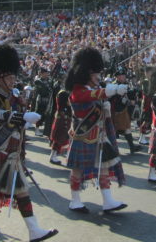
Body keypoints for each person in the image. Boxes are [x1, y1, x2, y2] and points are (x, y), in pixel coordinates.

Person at [0, 44, 57, 242]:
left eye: (13, 77)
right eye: (9, 78)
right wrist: (21, 116)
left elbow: (15, 118)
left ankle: (34, 229)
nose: (12, 80)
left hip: (12, 147)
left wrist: (24, 120)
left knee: (20, 188)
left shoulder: (13, 96)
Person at [65, 47, 127, 214]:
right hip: (83, 134)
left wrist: (107, 104)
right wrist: (111, 91)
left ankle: (108, 200)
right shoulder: (78, 90)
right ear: (86, 74)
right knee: (77, 168)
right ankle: (75, 200)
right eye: (95, 74)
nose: (98, 77)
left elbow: (97, 96)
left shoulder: (92, 89)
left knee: (104, 165)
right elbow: (89, 97)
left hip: (99, 135)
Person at [110, 67, 141, 155]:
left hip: (124, 110)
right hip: (116, 111)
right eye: (120, 75)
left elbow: (130, 95)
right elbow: (114, 99)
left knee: (126, 128)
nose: (122, 77)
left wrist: (134, 95)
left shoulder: (127, 84)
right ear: (117, 77)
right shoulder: (113, 85)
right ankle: (115, 149)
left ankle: (131, 147)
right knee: (114, 130)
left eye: (123, 75)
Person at [48, 88, 72, 166]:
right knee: (58, 140)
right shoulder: (62, 110)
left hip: (63, 123)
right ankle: (53, 157)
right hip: (62, 124)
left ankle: (54, 156)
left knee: (59, 140)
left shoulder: (64, 109)